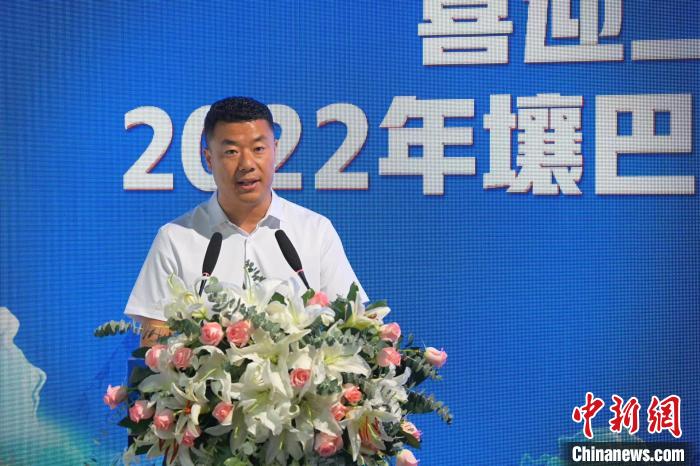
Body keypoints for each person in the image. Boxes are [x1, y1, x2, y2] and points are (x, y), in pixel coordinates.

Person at [124, 97, 367, 346]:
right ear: (209, 159)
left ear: (275, 150)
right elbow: (153, 344)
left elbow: (354, 323)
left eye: (258, 149)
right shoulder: (175, 238)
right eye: (231, 152)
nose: (247, 164)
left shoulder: (315, 231)